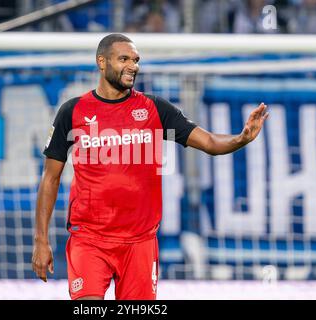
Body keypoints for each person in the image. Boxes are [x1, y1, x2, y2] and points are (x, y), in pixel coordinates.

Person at [32, 33, 269, 300]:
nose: (133, 66)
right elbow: (50, 179)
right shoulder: (73, 111)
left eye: (135, 60)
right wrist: (41, 241)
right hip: (90, 239)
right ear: (102, 62)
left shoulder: (155, 109)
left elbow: (211, 142)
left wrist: (241, 138)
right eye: (124, 59)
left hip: (140, 243)